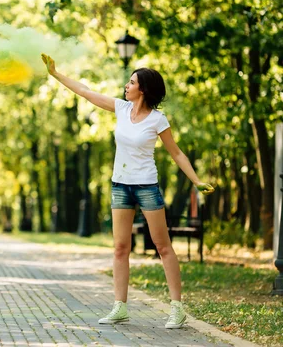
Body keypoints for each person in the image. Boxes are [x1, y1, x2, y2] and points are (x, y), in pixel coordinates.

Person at [41, 53, 214, 329]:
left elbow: (177, 153)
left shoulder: (158, 120)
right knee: (121, 247)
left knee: (163, 247)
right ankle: (119, 307)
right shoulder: (121, 109)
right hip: (120, 184)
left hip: (146, 186)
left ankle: (177, 309)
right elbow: (85, 92)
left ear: (142, 89)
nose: (126, 85)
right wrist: (56, 74)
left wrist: (195, 180)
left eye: (131, 82)